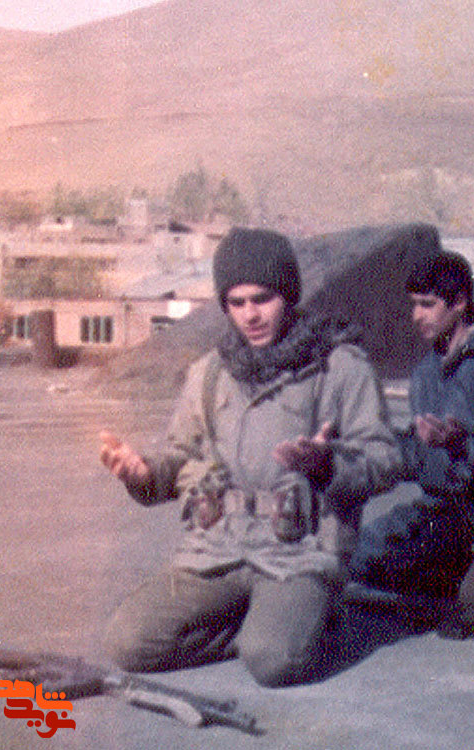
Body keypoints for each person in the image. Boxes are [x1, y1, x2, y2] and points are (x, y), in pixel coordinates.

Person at [99, 227, 402, 687]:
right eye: (236, 302)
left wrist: (327, 465)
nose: (250, 315)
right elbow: (182, 456)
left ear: (288, 295)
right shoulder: (209, 374)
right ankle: (262, 626)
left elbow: (385, 460)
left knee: (275, 663)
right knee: (129, 642)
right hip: (216, 551)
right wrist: (144, 474)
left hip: (299, 552)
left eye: (262, 299)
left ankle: (309, 619)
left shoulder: (339, 366)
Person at [349, 250, 474, 599]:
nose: (417, 316)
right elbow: (418, 455)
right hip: (439, 507)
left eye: (428, 305)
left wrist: (459, 445)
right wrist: (361, 450)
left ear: (459, 303)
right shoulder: (427, 372)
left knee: (404, 568)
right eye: (414, 304)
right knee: (356, 554)